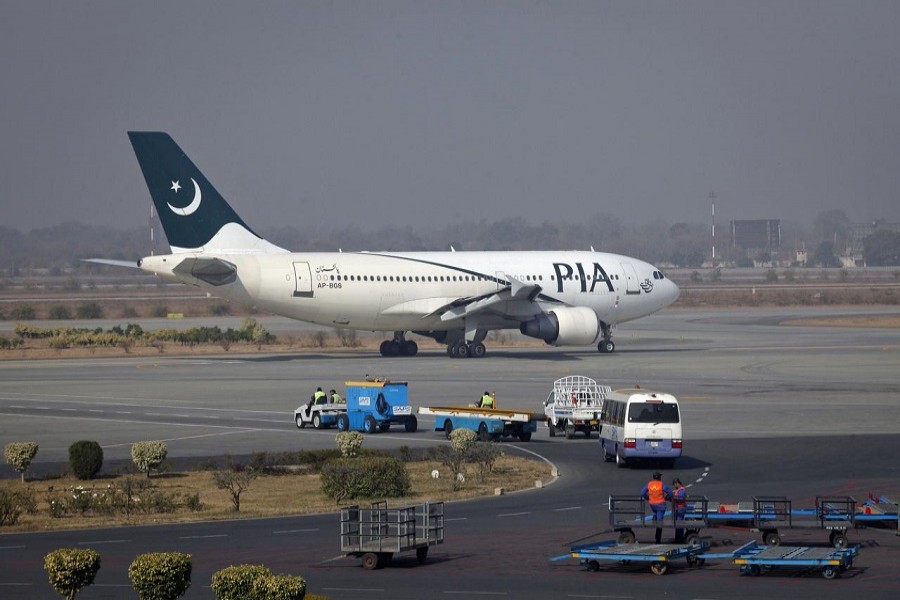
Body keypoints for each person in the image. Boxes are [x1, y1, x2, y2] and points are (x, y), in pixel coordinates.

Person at [640, 471, 673, 543]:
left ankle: (654, 517)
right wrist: (667, 498)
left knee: (655, 513)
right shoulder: (661, 484)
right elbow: (670, 492)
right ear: (659, 477)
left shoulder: (649, 484)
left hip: (652, 505)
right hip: (660, 505)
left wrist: (648, 497)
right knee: (660, 522)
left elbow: (642, 492)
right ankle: (658, 539)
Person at [672, 477, 687, 543]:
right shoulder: (678, 490)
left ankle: (679, 539)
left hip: (680, 508)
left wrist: (674, 498)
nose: (674, 486)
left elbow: (681, 498)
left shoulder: (681, 490)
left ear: (677, 483)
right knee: (677, 524)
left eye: (674, 484)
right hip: (678, 508)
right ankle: (677, 538)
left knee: (679, 524)